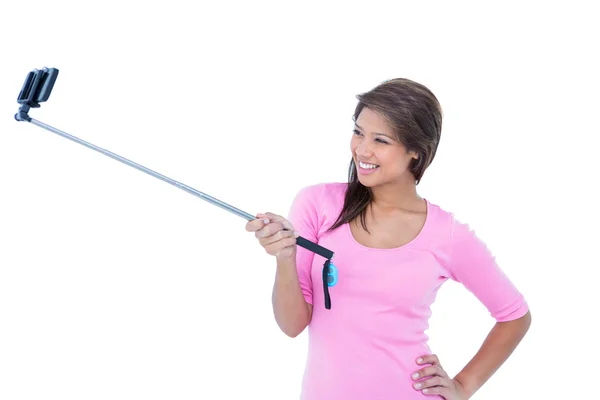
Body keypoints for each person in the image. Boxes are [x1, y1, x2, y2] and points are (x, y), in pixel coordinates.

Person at [245, 78, 531, 400]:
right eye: (358, 132)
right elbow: (292, 325)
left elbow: (514, 316)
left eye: (380, 140)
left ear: (415, 152)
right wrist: (285, 258)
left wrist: (463, 386)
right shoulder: (317, 204)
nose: (362, 150)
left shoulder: (448, 235)